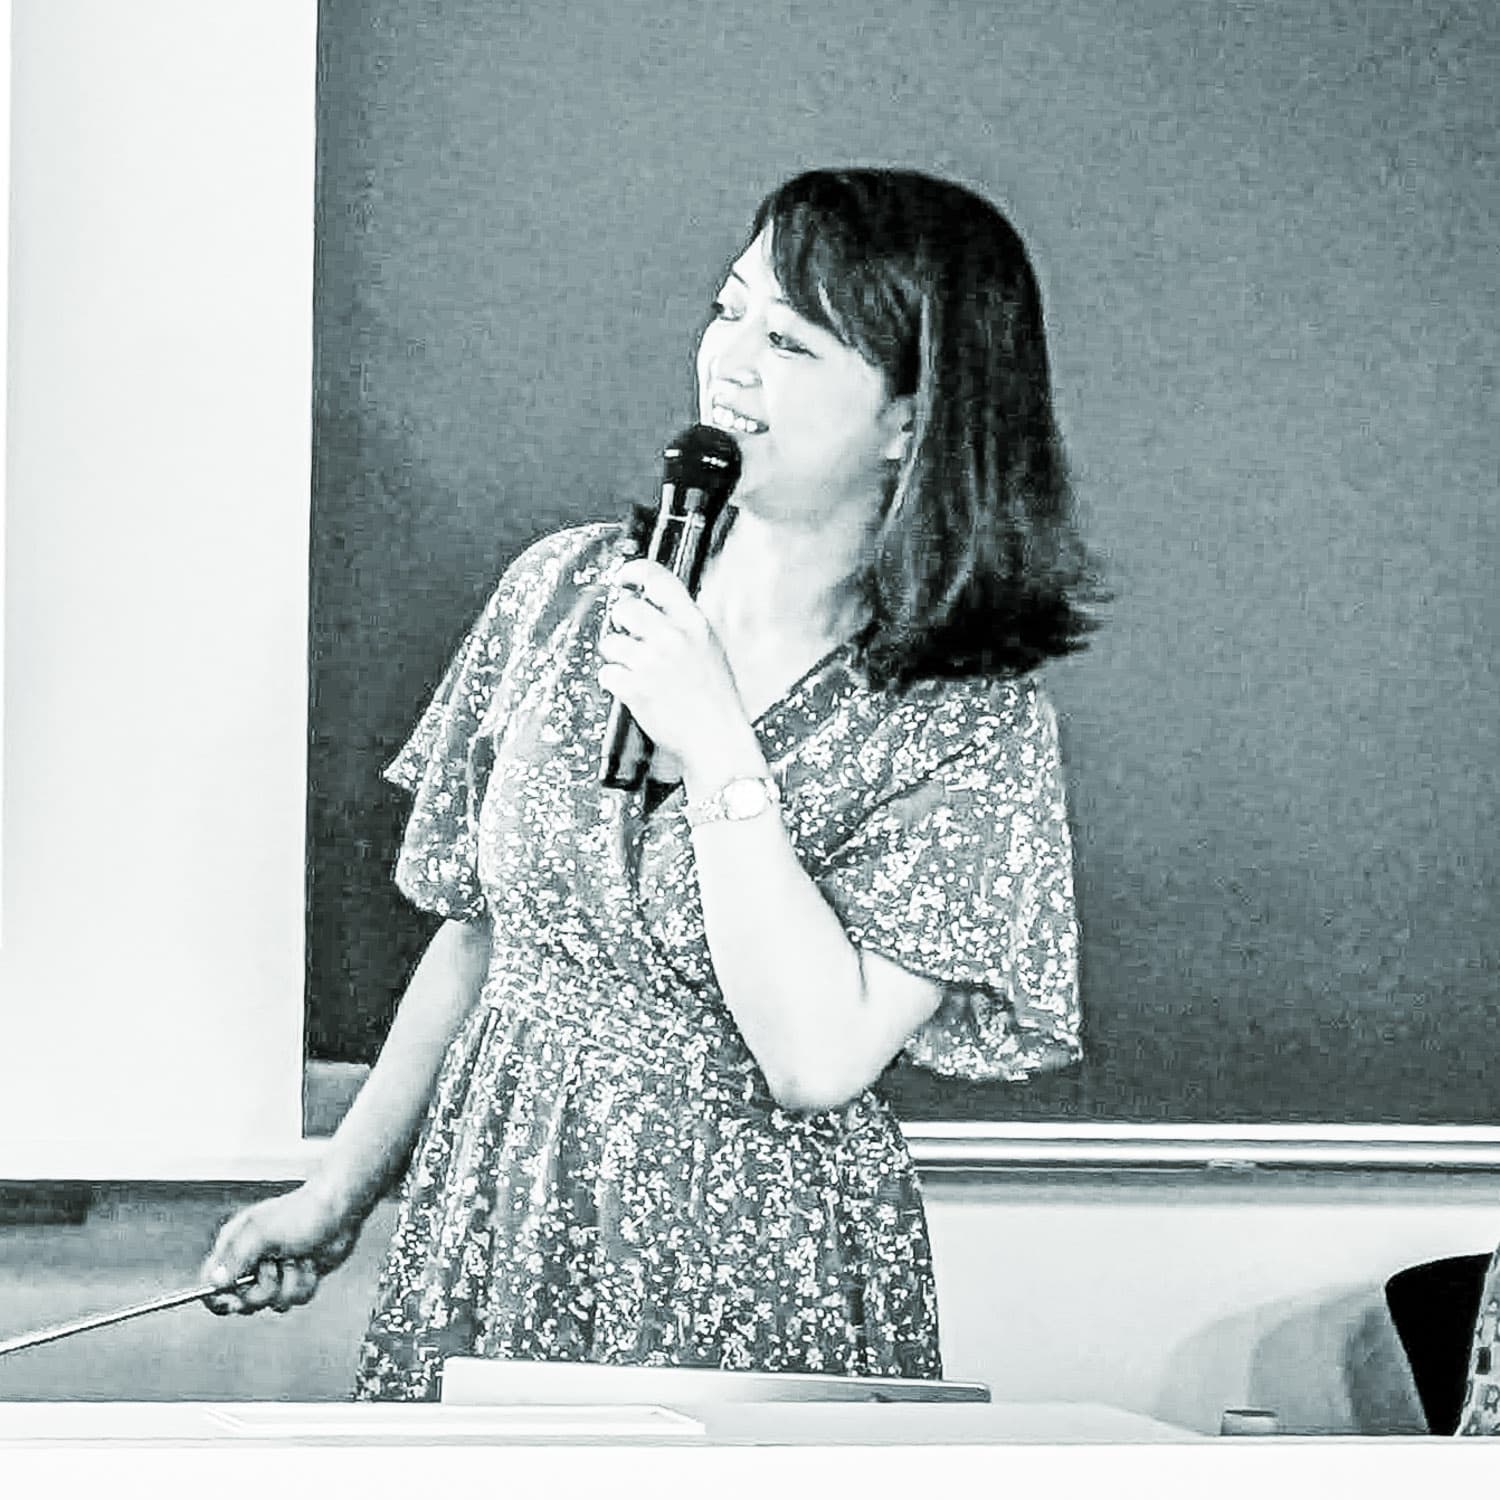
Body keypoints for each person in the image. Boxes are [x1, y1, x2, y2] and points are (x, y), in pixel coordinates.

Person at [202, 166, 1099, 1398]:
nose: (731, 363)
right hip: (503, 1201)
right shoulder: (566, 590)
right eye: (730, 311)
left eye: (790, 342)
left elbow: (817, 1059)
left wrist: (720, 747)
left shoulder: (966, 721)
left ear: (911, 416)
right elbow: (483, 936)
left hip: (751, 1245)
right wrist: (337, 1192)